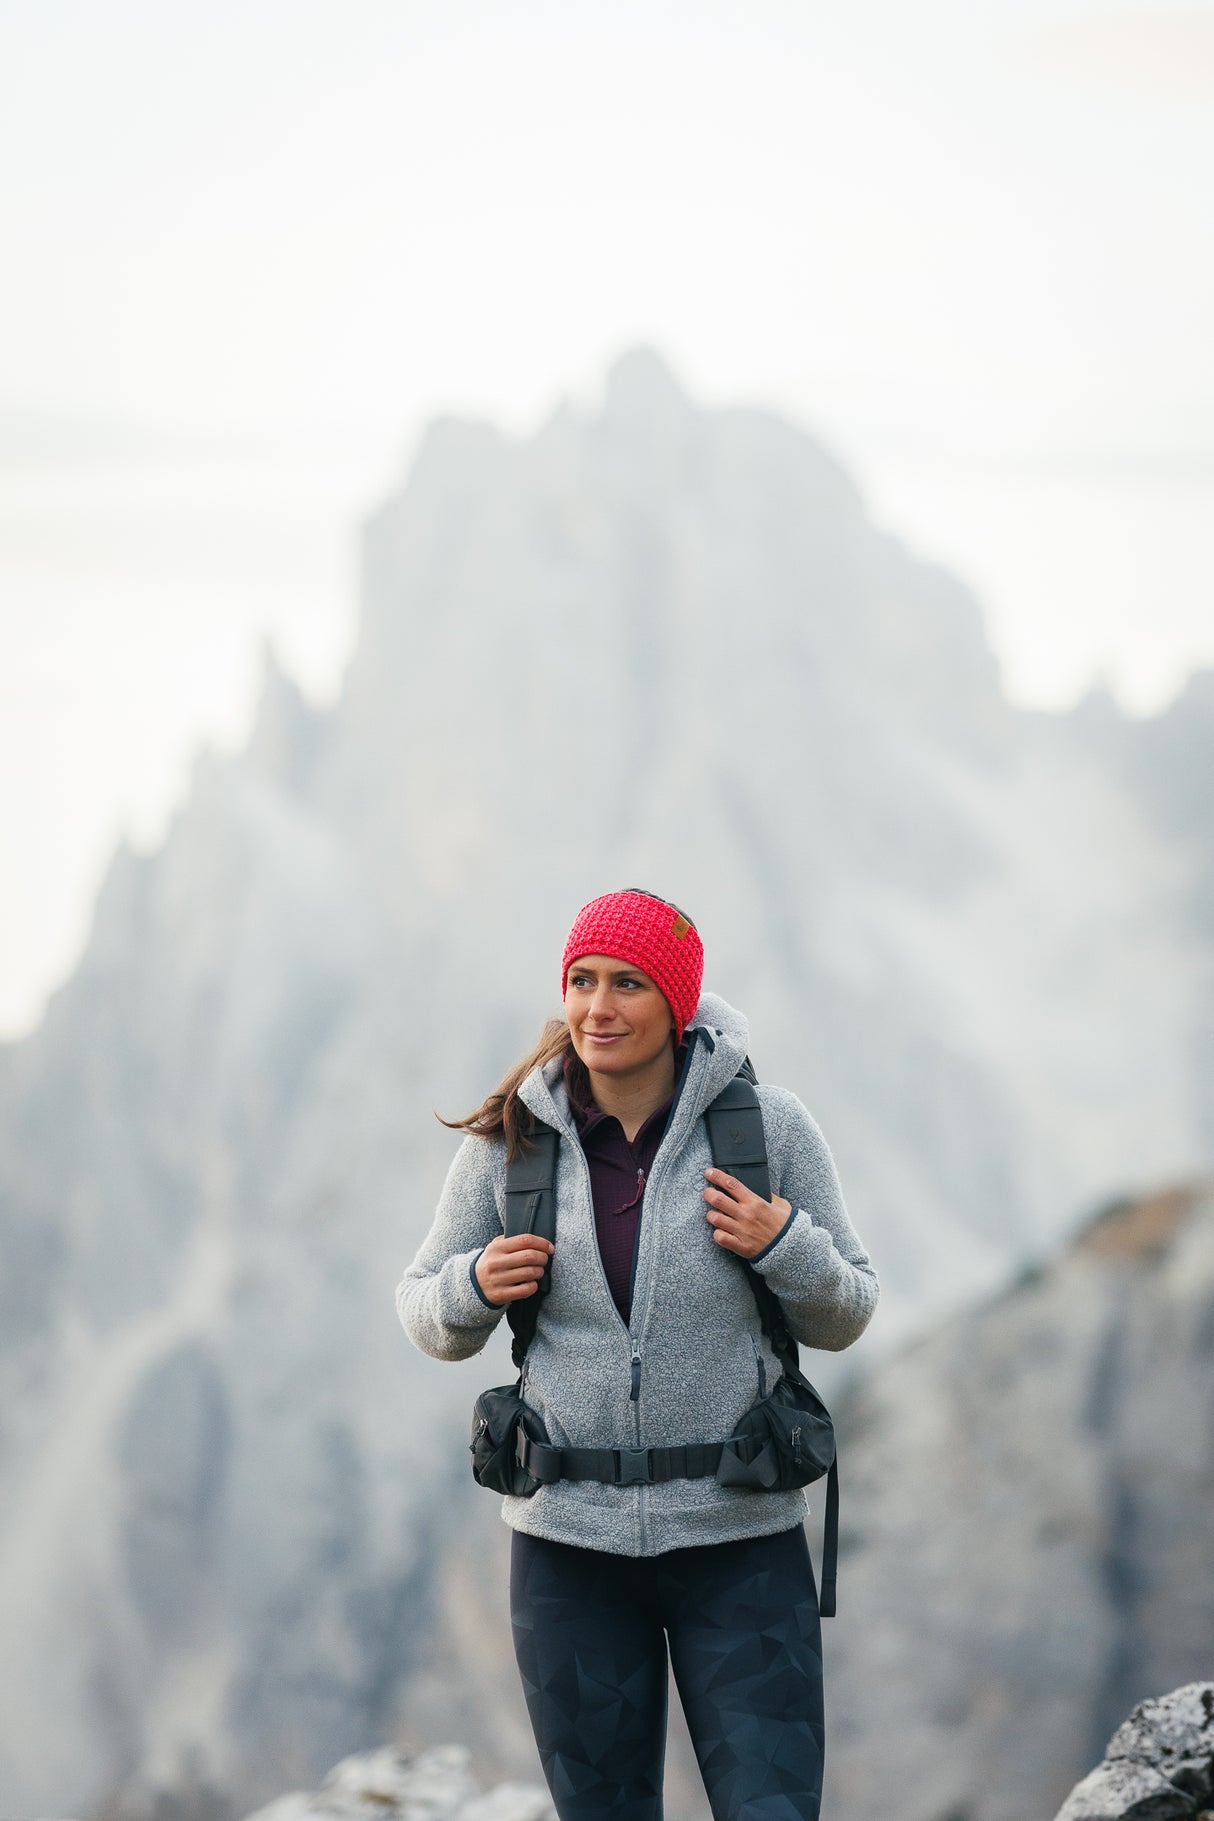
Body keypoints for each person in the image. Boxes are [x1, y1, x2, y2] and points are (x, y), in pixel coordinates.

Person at [396, 888, 878, 1821]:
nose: (597, 1007)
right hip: (569, 1552)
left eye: (628, 983)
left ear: (679, 1004)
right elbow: (424, 1310)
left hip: (741, 1543)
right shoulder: (512, 1145)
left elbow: (847, 1308)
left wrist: (782, 1242)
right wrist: (473, 1283)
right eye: (581, 980)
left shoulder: (768, 1132)